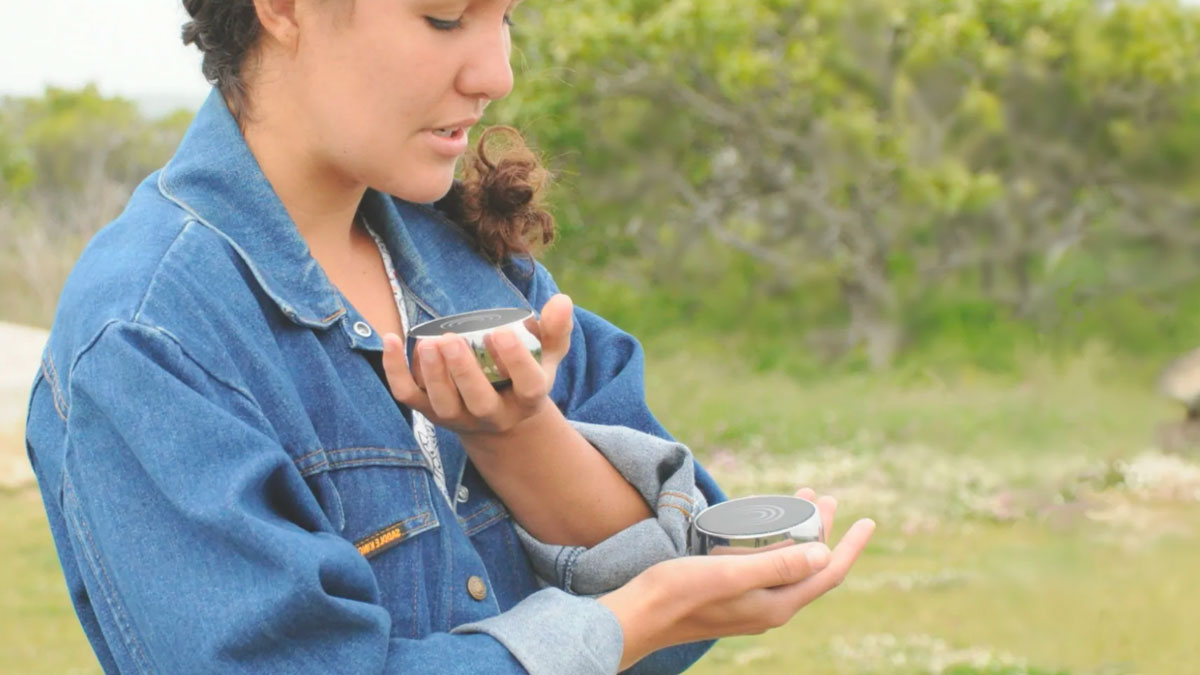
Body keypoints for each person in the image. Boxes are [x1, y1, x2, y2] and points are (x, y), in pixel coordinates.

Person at [23, 0, 876, 672]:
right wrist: (622, 625)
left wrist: (517, 437)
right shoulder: (147, 333)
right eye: (443, 18)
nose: (495, 72)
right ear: (281, 7)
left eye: (504, 18)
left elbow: (675, 624)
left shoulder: (470, 260)